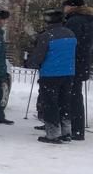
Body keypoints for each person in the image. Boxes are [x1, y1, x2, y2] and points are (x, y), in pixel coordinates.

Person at [27, 9, 77, 144]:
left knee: (50, 103)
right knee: (64, 102)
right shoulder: (71, 33)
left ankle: (53, 134)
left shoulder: (46, 35)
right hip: (68, 73)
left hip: (50, 74)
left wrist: (31, 63)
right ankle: (66, 132)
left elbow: (39, 56)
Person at [63, 0, 93, 141]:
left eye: (66, 6)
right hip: (82, 62)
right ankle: (76, 128)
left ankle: (75, 128)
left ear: (72, 7)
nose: (64, 9)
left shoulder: (74, 21)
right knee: (75, 94)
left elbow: (70, 42)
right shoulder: (88, 19)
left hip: (72, 62)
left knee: (71, 95)